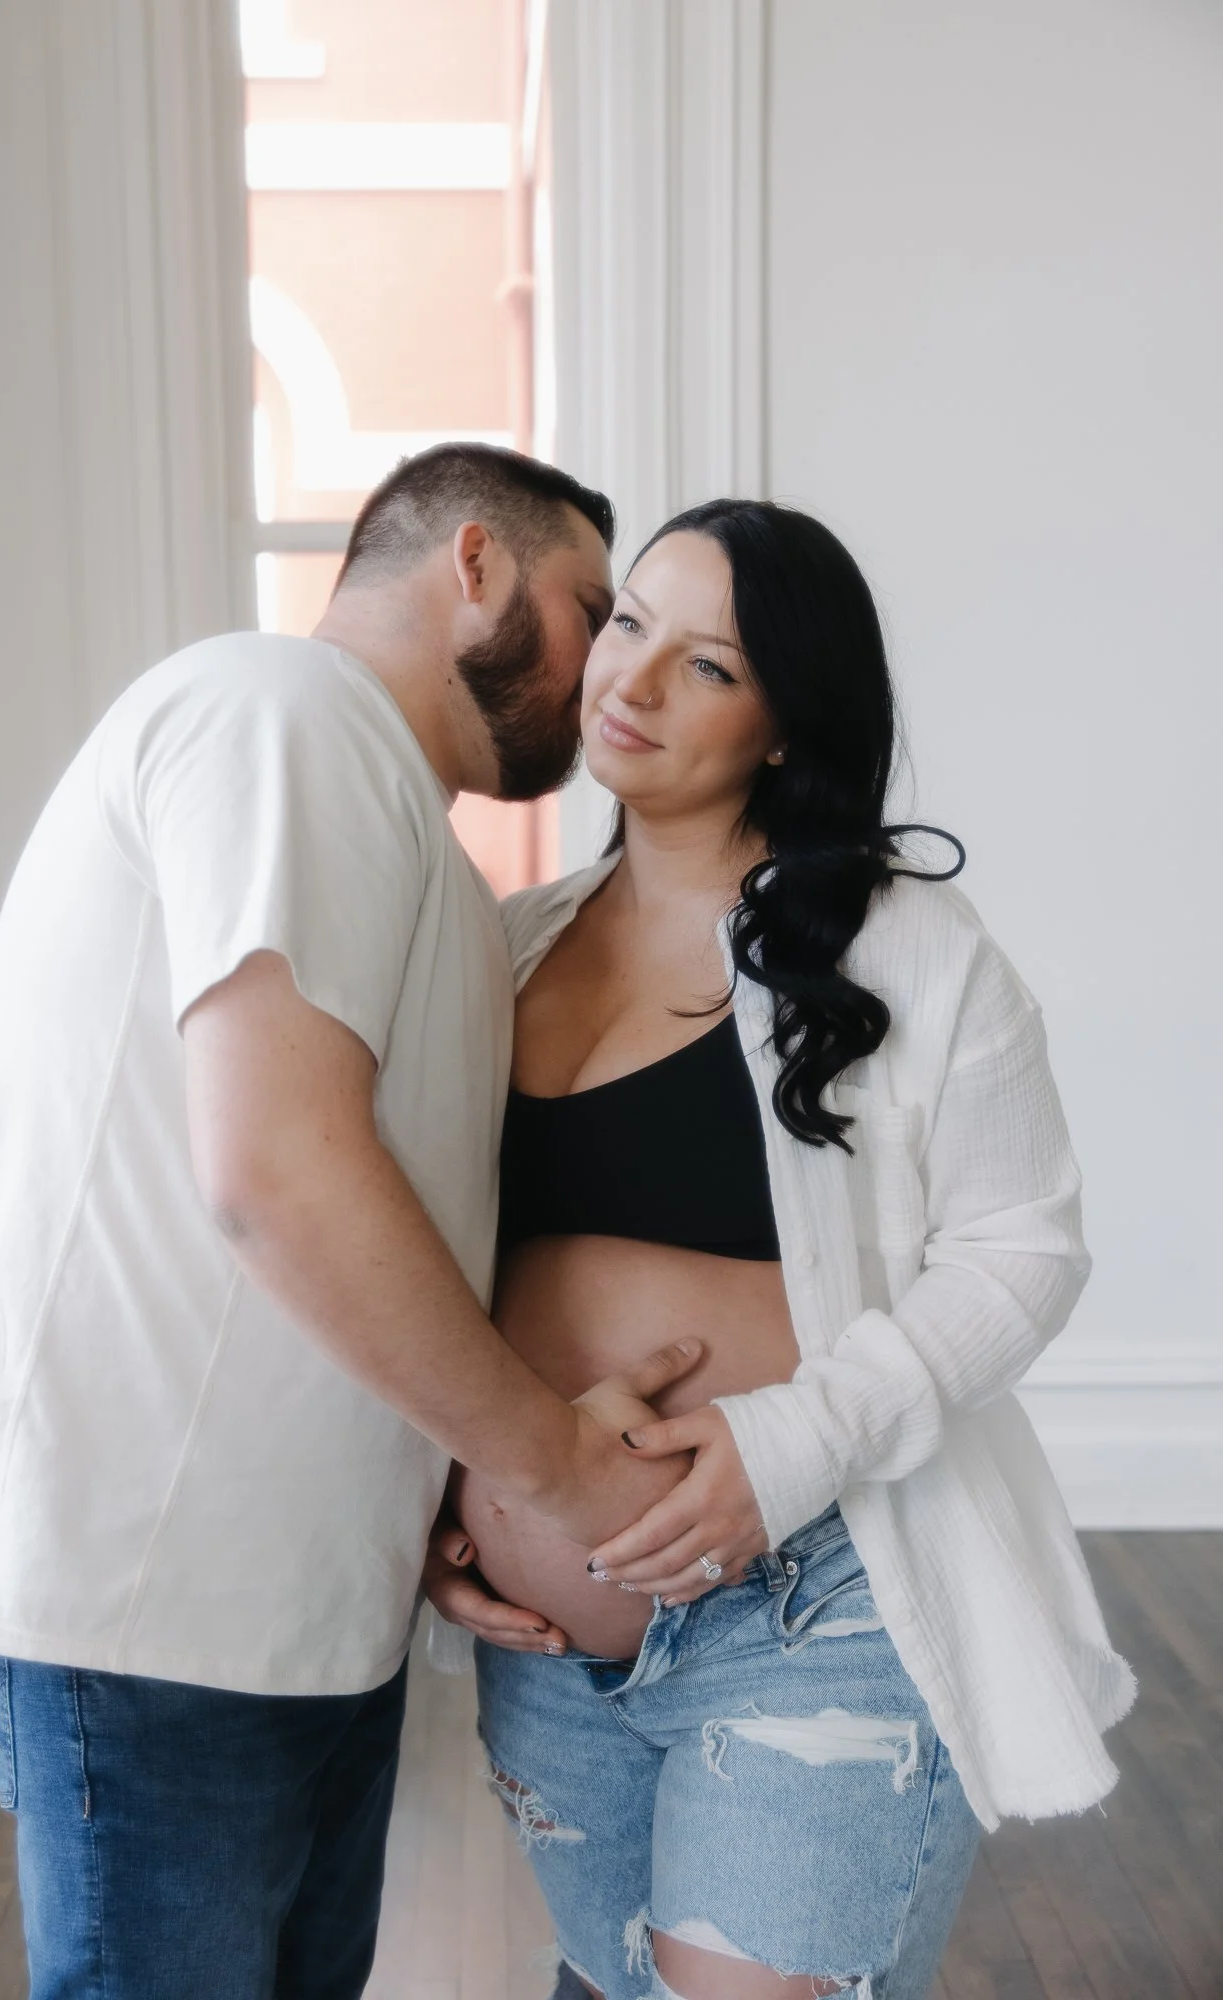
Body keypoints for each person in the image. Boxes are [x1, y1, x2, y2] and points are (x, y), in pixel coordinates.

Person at [0, 444, 712, 2000]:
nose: (606, 663)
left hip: (290, 1600)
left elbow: (383, 1221)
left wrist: (433, 1510)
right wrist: (551, 1468)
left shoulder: (413, 844)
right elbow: (274, 1168)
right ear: (472, 563)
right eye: (589, 606)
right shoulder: (288, 713)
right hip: (164, 1598)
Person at [426, 499, 1135, 2000]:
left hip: (823, 1593)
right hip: (554, 1647)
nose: (633, 679)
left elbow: (1024, 1251)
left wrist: (792, 1445)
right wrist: (438, 1493)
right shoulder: (505, 946)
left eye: (709, 666)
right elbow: (428, 1271)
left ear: (785, 726)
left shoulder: (908, 949)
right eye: (630, 624)